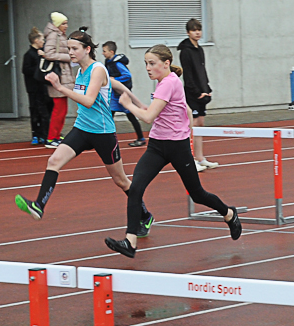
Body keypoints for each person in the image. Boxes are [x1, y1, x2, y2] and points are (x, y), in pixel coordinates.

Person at [104, 45, 241, 257]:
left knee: (197, 194)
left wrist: (127, 105)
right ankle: (130, 241)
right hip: (157, 146)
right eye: (146, 64)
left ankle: (229, 213)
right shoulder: (165, 83)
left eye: (152, 63)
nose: (148, 68)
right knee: (136, 188)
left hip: (177, 147)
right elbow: (158, 109)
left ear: (166, 63)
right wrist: (131, 98)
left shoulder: (169, 83)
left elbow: (147, 117)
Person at [14, 30, 153, 235]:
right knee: (54, 161)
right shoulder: (81, 71)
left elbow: (88, 101)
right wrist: (138, 101)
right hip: (82, 128)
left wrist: (60, 87)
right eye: (68, 48)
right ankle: (39, 205)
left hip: (102, 133)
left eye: (74, 49)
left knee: (121, 180)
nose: (70, 52)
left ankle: (145, 215)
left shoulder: (97, 69)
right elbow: (114, 84)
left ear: (87, 49)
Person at [177, 18, 218, 170]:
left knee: (200, 124)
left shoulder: (199, 49)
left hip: (202, 92)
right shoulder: (185, 51)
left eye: (199, 30)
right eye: (194, 30)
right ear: (188, 32)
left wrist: (207, 89)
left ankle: (200, 158)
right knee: (192, 126)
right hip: (192, 93)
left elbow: (202, 71)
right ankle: (191, 159)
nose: (197, 33)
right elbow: (188, 75)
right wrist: (196, 92)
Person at [103, 41, 145, 147]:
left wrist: (115, 79)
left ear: (111, 52)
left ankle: (141, 138)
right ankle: (106, 139)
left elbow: (127, 75)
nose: (103, 53)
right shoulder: (108, 62)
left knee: (130, 116)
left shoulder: (117, 63)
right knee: (109, 115)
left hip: (123, 94)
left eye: (104, 51)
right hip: (114, 94)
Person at [43, 12, 73, 149]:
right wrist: (67, 57)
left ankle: (56, 135)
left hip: (63, 76)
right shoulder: (54, 35)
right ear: (57, 24)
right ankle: (51, 137)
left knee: (62, 109)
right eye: (63, 23)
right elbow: (48, 53)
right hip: (58, 76)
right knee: (58, 110)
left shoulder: (59, 35)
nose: (66, 26)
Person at [21, 27, 52, 144]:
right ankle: (36, 134)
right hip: (34, 88)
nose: (43, 42)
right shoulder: (29, 55)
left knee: (45, 110)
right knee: (35, 110)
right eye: (42, 39)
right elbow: (26, 70)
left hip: (43, 87)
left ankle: (45, 133)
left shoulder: (42, 53)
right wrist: (38, 69)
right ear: (36, 41)